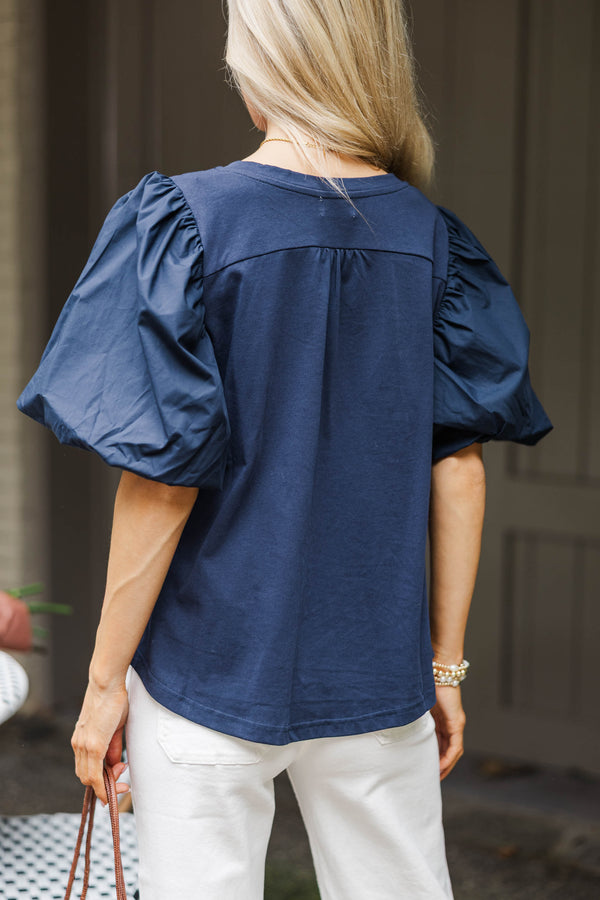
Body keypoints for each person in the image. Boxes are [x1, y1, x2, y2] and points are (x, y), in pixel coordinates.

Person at [16, 1, 554, 897]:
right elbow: (457, 466)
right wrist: (444, 668)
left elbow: (160, 482)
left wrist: (103, 684)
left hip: (204, 677)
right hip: (379, 681)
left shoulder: (184, 223)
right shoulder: (433, 241)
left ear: (261, 70)